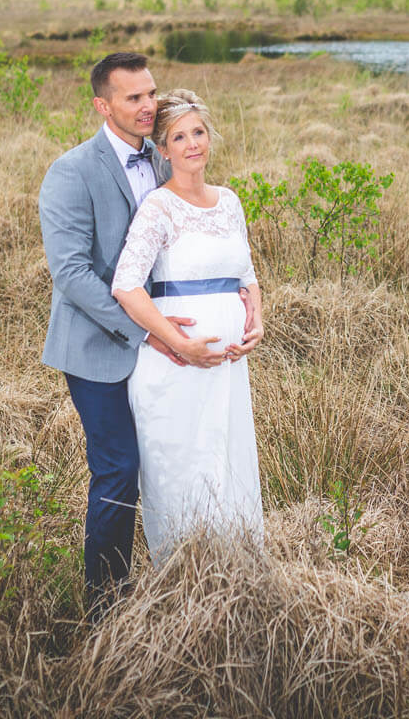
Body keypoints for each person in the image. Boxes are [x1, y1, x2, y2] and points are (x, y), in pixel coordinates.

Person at [38, 52, 231, 620]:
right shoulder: (71, 171)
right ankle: (105, 608)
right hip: (101, 348)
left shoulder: (166, 153)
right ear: (103, 105)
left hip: (167, 344)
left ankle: (181, 587)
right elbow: (71, 273)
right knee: (119, 470)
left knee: (171, 462)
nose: (149, 105)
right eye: (133, 98)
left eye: (152, 93)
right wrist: (149, 334)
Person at [110, 89, 266, 562]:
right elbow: (126, 285)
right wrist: (177, 341)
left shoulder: (230, 202)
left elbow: (246, 273)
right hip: (177, 366)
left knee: (229, 461)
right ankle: (182, 583)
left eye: (198, 132)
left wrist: (255, 318)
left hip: (227, 368)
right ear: (163, 150)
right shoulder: (159, 207)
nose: (192, 143)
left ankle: (239, 579)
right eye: (179, 136)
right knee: (184, 470)